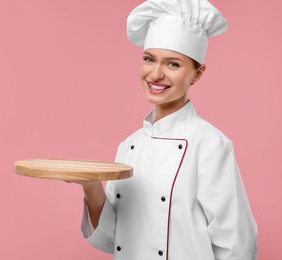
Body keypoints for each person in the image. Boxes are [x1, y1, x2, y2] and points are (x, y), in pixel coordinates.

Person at [73, 0, 258, 259]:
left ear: (197, 74)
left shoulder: (210, 145)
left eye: (173, 64)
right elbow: (112, 239)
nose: (156, 74)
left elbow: (237, 245)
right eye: (149, 59)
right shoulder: (128, 146)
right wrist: (91, 187)